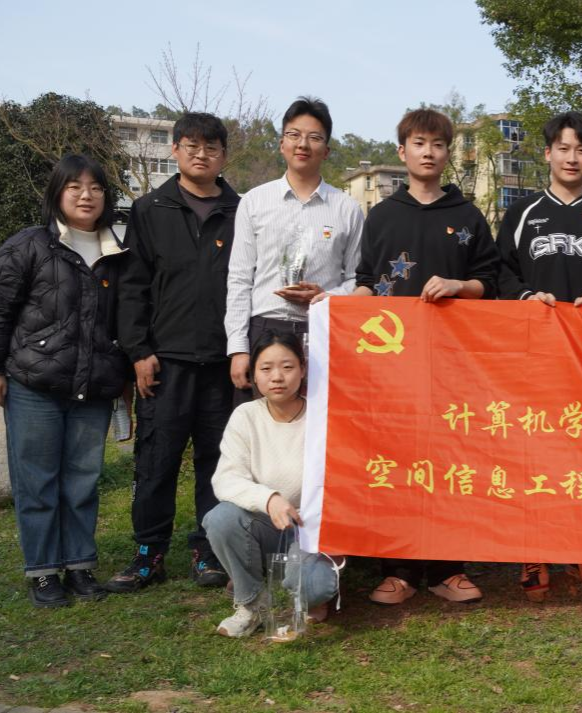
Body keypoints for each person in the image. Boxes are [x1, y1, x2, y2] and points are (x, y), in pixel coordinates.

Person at [352, 107, 500, 605]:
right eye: (419, 143)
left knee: (451, 460)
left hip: (454, 363)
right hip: (392, 364)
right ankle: (397, 570)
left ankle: (447, 568)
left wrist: (459, 285)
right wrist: (334, 305)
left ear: (448, 152)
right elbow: (367, 283)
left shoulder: (468, 216)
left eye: (438, 144)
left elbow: (491, 284)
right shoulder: (382, 215)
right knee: (395, 461)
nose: (428, 152)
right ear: (402, 151)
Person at [0, 154, 131, 608]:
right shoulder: (30, 244)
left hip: (93, 389)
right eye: (75, 187)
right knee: (37, 481)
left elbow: (127, 319)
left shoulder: (118, 253)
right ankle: (43, 572)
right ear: (57, 194)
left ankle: (79, 565)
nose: (86, 195)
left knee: (82, 481)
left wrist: (122, 374)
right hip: (33, 385)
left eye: (95, 187)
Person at [107, 112, 241, 594]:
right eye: (192, 146)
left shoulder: (242, 210)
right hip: (165, 363)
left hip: (225, 363)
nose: (201, 154)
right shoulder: (150, 209)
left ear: (223, 155)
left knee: (218, 462)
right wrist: (139, 351)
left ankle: (209, 550)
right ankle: (149, 553)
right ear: (175, 150)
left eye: (211, 147)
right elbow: (132, 287)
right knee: (156, 460)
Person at [495, 110, 582, 600]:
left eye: (581, 150)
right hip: (533, 354)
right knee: (535, 451)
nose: (572, 158)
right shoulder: (523, 212)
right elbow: (501, 272)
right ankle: (535, 550)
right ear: (547, 153)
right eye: (563, 148)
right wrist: (526, 297)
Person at [225, 96, 364, 403]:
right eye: (294, 135)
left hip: (322, 331)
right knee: (260, 424)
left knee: (316, 423)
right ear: (281, 144)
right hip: (263, 329)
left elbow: (359, 279)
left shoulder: (347, 209)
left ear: (326, 150)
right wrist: (238, 348)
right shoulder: (254, 201)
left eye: (314, 137)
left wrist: (327, 296)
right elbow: (239, 278)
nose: (303, 144)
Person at [203, 333, 341, 637]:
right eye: (266, 368)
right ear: (254, 374)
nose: (277, 377)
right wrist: (270, 499)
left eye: (287, 367)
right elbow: (226, 478)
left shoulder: (324, 416)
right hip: (266, 522)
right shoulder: (246, 416)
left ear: (303, 369)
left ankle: (311, 595)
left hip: (312, 528)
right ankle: (252, 605)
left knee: (313, 586)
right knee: (221, 518)